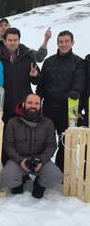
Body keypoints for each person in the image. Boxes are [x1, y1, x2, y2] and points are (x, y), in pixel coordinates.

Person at [36, 30, 86, 171]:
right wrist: (37, 101)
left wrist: (76, 108)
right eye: (61, 41)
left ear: (72, 43)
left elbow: (79, 85)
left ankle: (59, 171)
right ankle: (41, 170)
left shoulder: (79, 62)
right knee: (44, 141)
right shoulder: (49, 61)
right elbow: (41, 85)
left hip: (67, 109)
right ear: (57, 43)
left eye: (66, 41)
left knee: (65, 142)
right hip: (48, 109)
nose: (63, 44)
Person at [2, 93, 63, 199]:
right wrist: (20, 160)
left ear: (40, 106)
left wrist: (41, 160)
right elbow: (8, 145)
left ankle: (39, 185)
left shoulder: (47, 123)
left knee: (56, 177)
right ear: (24, 104)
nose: (33, 106)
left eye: (36, 103)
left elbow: (51, 145)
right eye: (30, 103)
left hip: (39, 161)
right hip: (18, 160)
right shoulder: (13, 122)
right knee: (7, 177)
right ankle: (18, 183)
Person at [0, 27, 40, 123]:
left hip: (22, 106)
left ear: (19, 40)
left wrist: (35, 75)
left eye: (15, 40)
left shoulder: (28, 57)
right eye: (10, 40)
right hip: (3, 107)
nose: (13, 43)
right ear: (4, 41)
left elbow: (37, 81)